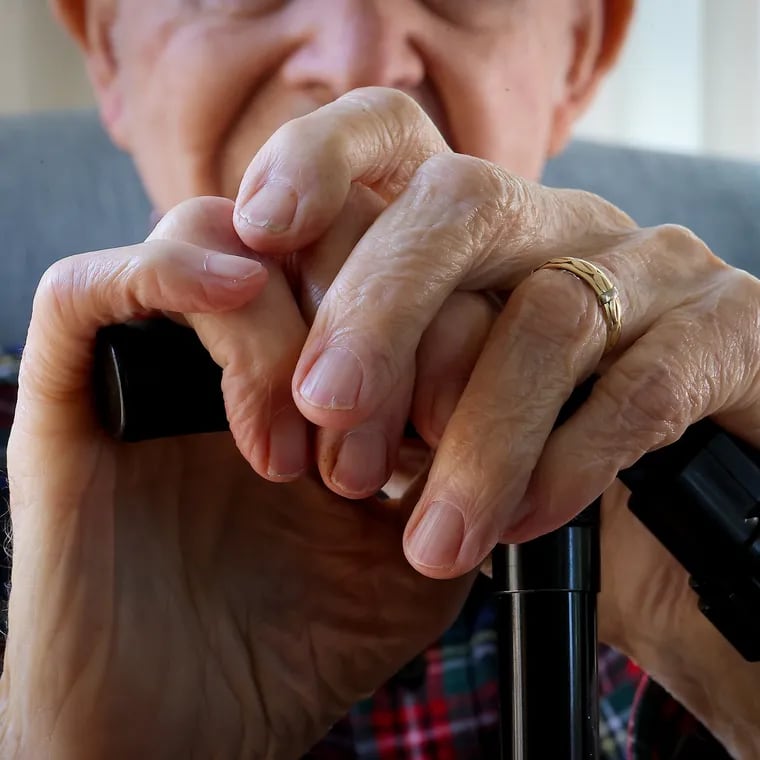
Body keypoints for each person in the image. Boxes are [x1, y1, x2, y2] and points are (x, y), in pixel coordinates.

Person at [0, 0, 758, 757]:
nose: (356, 65)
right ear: (109, 53)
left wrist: (727, 593)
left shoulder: (694, 455)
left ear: (578, 58)